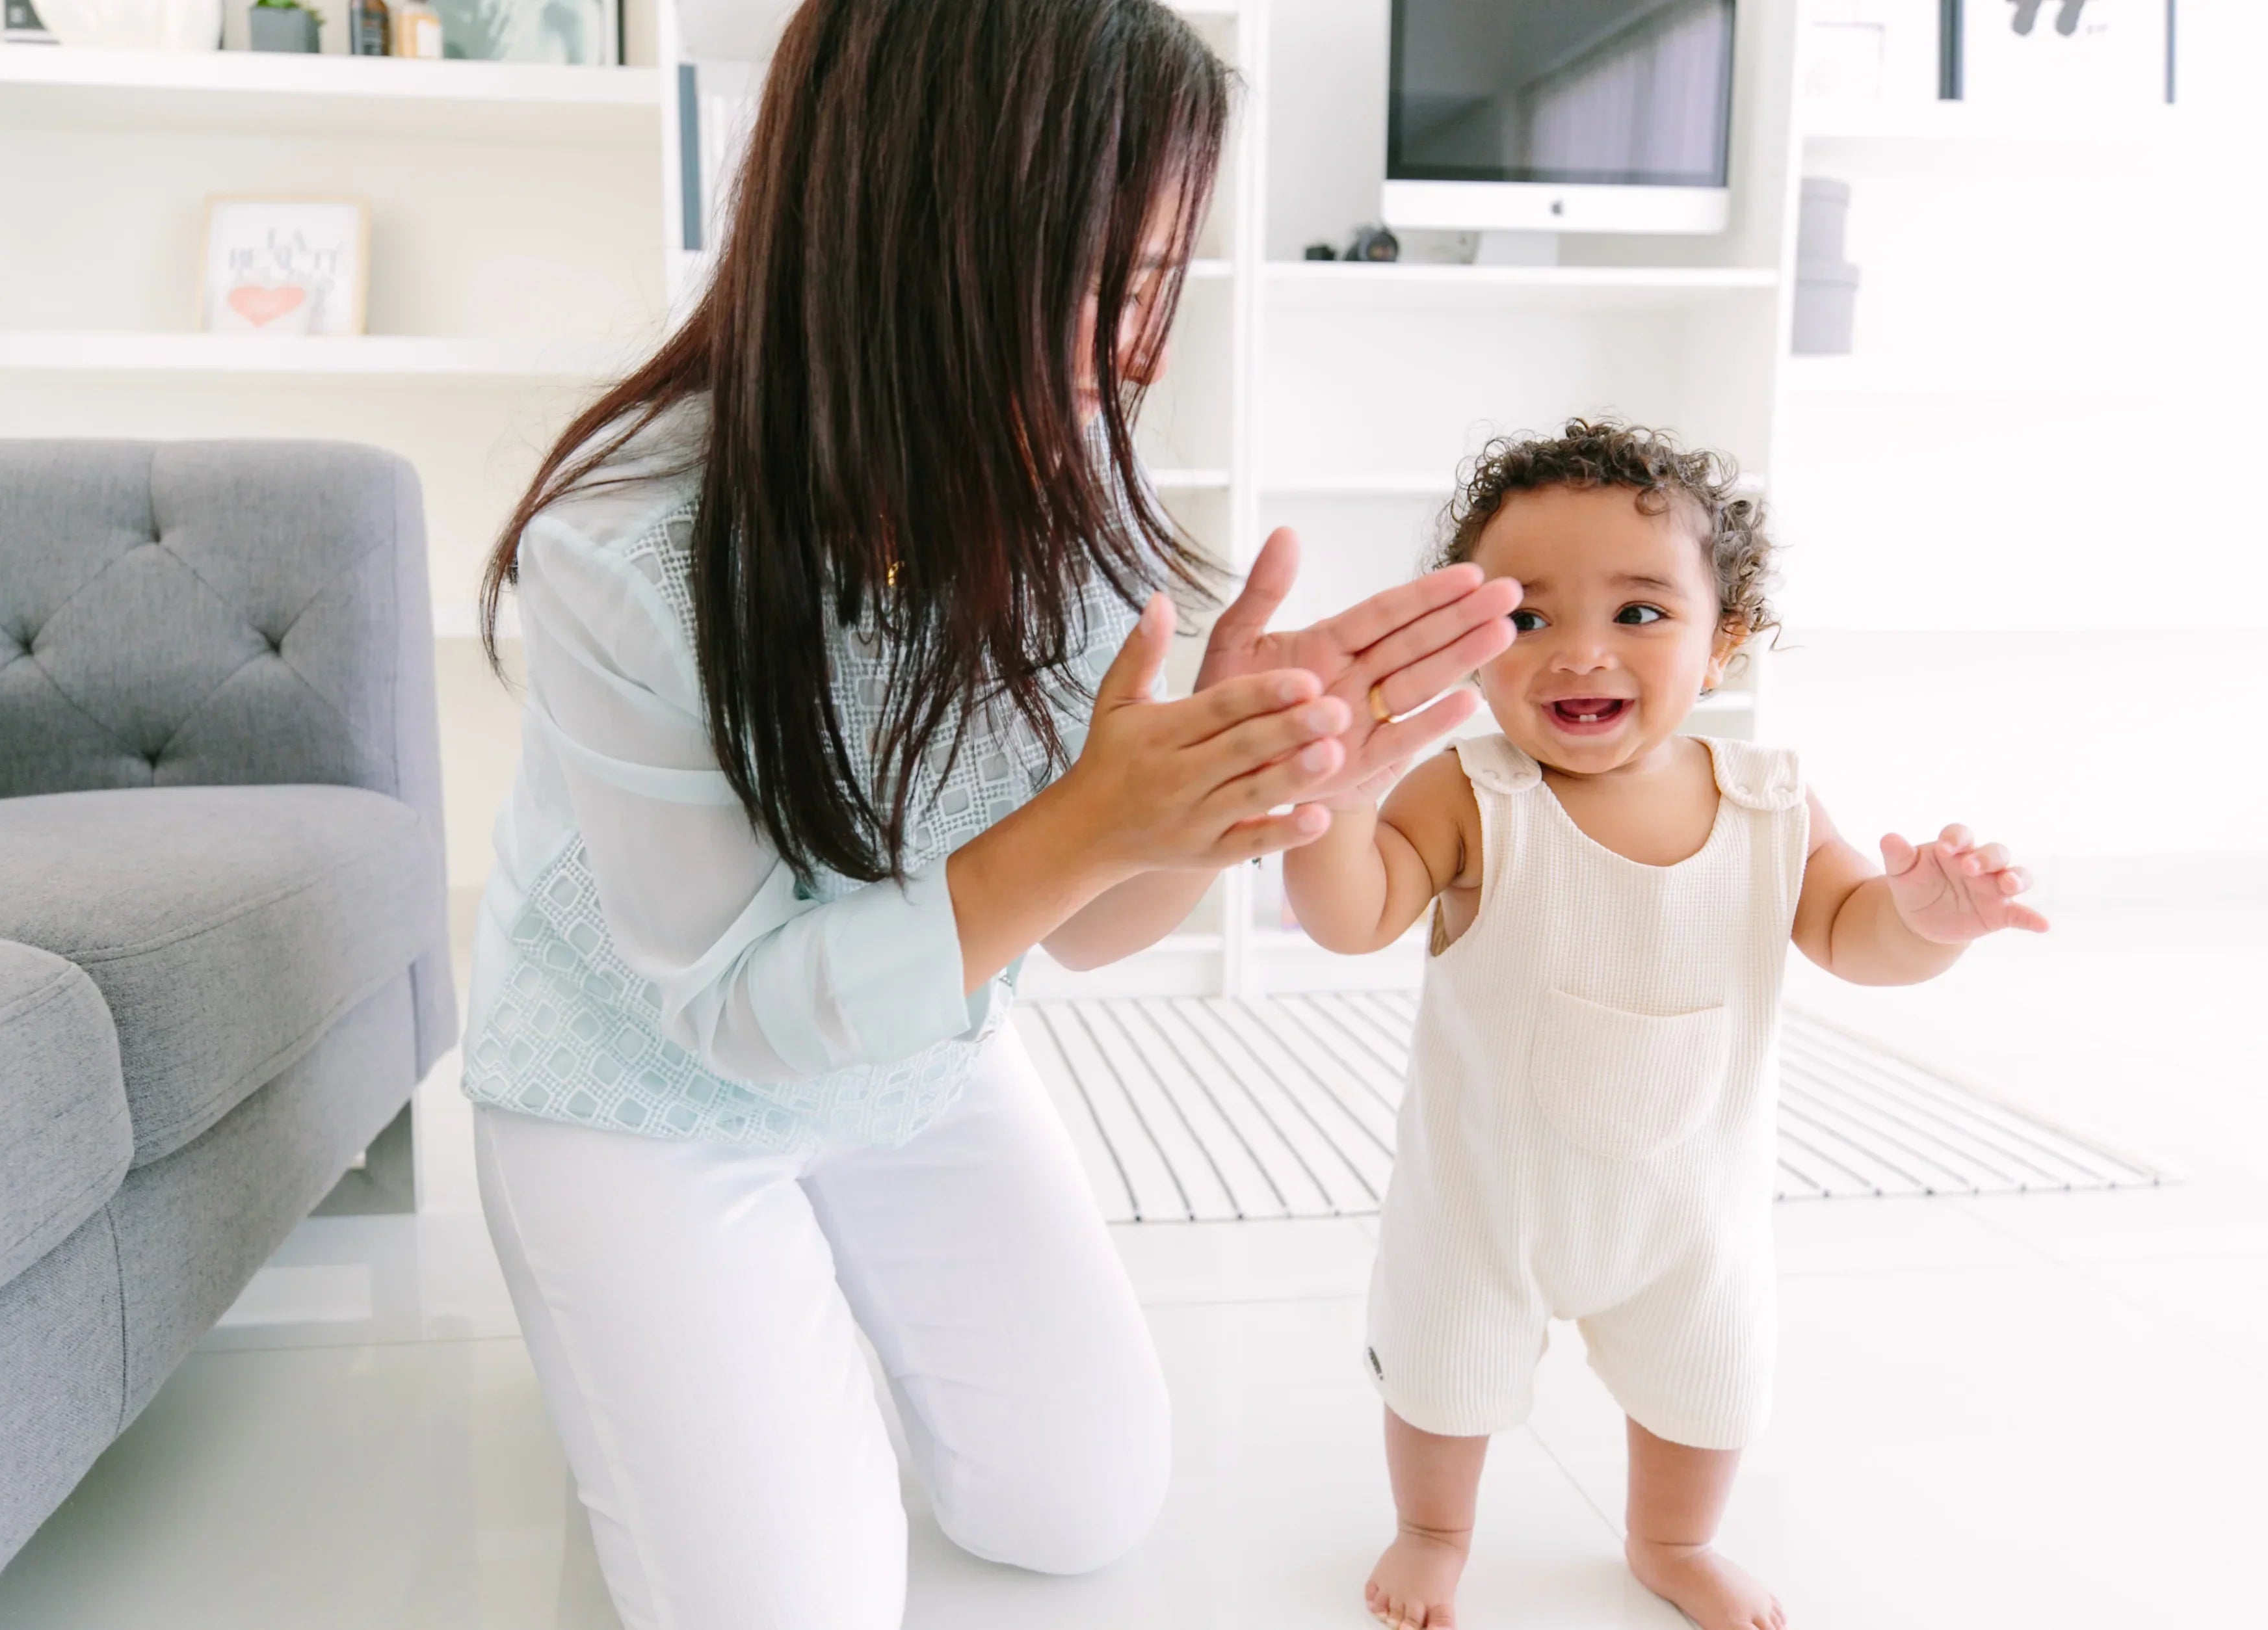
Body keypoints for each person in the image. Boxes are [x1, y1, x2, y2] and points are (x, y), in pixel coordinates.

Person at [458, 2, 1519, 1625]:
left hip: (914, 1046)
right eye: (1092, 290)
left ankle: (738, 1348)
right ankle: (629, 1327)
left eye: (1156, 289)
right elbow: (741, 1004)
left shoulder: (1065, 459)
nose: (1128, 360)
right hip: (642, 1086)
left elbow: (1088, 935)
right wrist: (1106, 816)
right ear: (901, 241)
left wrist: (1224, 799)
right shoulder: (626, 541)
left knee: (1079, 1511)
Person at [1280, 419, 2051, 1630]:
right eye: (1528, 619)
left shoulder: (1768, 802)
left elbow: (1855, 935)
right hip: (1488, 1198)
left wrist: (1926, 919)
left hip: (1690, 1204)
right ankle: (1433, 1527)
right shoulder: (1475, 793)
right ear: (1471, 649)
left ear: (1725, 640)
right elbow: (1355, 916)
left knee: (1708, 1380)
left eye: (1639, 613)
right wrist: (1334, 803)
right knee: (1443, 1367)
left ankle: (1670, 1540)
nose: (1580, 650)